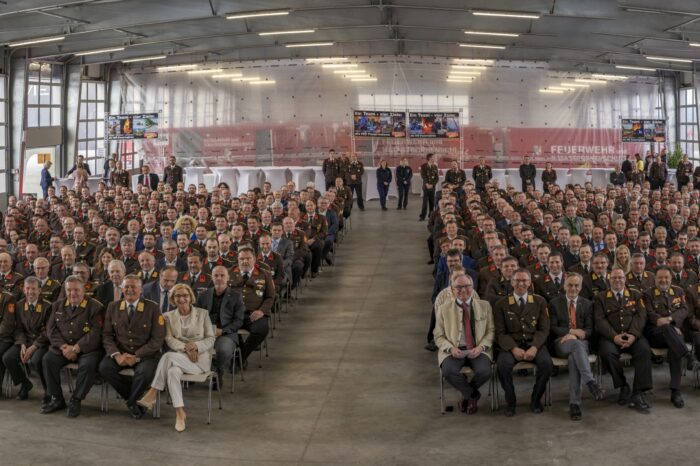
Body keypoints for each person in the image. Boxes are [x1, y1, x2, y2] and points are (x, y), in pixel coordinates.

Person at [137, 283, 215, 432]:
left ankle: (153, 392)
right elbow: (169, 339)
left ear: (190, 297)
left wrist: (196, 346)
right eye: (178, 296)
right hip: (179, 356)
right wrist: (185, 347)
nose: (182, 299)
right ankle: (180, 413)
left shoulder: (203, 313)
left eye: (185, 295)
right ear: (173, 298)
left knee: (167, 357)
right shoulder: (167, 316)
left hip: (199, 360)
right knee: (172, 371)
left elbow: (211, 338)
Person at [99, 275, 165, 419]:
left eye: (133, 287)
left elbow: (157, 339)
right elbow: (107, 335)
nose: (129, 290)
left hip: (145, 355)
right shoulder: (113, 306)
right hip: (121, 353)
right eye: (126, 287)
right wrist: (116, 355)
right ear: (122, 289)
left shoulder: (152, 307)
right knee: (104, 368)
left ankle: (130, 402)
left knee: (144, 373)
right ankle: (135, 401)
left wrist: (136, 356)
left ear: (141, 290)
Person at [493, 268, 552, 417]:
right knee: (503, 365)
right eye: (517, 280)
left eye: (524, 280)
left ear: (530, 282)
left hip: (534, 344)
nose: (521, 283)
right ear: (512, 282)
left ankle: (535, 399)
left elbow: (544, 329)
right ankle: (510, 401)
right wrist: (513, 348)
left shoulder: (539, 301)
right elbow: (500, 333)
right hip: (511, 345)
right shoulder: (501, 304)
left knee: (546, 364)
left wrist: (534, 347)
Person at [42, 276, 103, 417]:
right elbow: (51, 329)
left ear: (84, 290)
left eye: (76, 290)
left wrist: (76, 348)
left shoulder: (95, 307)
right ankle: (56, 398)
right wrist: (64, 347)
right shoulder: (57, 305)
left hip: (86, 350)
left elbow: (96, 333)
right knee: (48, 360)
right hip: (63, 348)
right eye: (69, 290)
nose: (72, 293)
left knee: (88, 365)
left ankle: (76, 399)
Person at [593, 268, 652, 414]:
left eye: (620, 277)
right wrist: (614, 337)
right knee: (607, 353)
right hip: (611, 337)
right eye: (614, 278)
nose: (617, 280)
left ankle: (638, 392)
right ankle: (623, 385)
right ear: (609, 280)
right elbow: (599, 320)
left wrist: (633, 335)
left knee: (644, 350)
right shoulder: (600, 297)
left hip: (633, 335)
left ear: (625, 279)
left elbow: (641, 316)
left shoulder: (636, 294)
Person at [434, 274, 493, 415]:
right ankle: (472, 395)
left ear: (472, 288)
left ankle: (466, 395)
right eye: (458, 287)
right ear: (452, 290)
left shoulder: (485, 306)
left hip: (478, 349)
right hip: (454, 350)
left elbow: (491, 331)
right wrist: (450, 348)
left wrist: (481, 347)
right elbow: (438, 335)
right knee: (448, 371)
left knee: (485, 371)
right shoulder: (443, 309)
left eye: (467, 286)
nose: (463, 290)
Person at [548, 273, 604, 420]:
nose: (573, 288)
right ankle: (590, 382)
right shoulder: (554, 303)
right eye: (570, 285)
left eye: (576, 285)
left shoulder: (587, 304)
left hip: (581, 343)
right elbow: (552, 327)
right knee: (576, 347)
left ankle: (575, 404)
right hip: (561, 343)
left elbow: (590, 330)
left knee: (575, 357)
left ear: (580, 287)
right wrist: (571, 332)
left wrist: (577, 335)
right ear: (564, 286)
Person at [642, 267, 689, 408]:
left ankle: (675, 390)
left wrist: (670, 320)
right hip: (655, 334)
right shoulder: (647, 294)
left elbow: (684, 309)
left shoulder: (678, 291)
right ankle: (687, 355)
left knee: (674, 344)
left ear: (670, 278)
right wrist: (668, 325)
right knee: (671, 333)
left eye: (666, 278)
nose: (663, 280)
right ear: (654, 279)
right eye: (660, 278)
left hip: (673, 332)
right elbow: (650, 314)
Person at [2, 277, 51, 402]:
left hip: (41, 343)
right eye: (27, 288)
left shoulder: (47, 307)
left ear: (40, 290)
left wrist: (34, 346)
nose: (30, 292)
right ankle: (25, 384)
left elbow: (47, 331)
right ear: (24, 290)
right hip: (24, 341)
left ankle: (49, 391)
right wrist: (22, 343)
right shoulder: (19, 305)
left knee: (36, 360)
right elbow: (18, 328)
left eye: (33, 289)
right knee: (8, 358)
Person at [195, 266, 245, 381]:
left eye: (222, 275)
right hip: (204, 334)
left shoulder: (236, 296)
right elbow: (196, 317)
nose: (219, 278)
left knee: (222, 350)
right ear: (212, 278)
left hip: (226, 334)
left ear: (228, 278)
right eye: (216, 276)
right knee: (190, 347)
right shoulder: (203, 295)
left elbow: (239, 321)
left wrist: (222, 331)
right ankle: (196, 369)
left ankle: (217, 368)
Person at [228, 247, 274, 365]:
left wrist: (261, 311)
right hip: (233, 315)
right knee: (226, 329)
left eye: (248, 258)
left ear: (254, 259)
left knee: (261, 329)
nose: (245, 261)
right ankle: (240, 357)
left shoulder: (265, 274)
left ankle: (240, 357)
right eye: (242, 259)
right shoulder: (229, 273)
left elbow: (270, 297)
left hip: (254, 315)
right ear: (237, 260)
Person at [419, 153, 439, 221]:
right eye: (433, 157)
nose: (435, 158)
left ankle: (431, 216)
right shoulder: (424, 166)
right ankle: (422, 216)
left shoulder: (435, 166)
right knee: (425, 202)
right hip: (426, 187)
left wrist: (432, 185)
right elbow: (423, 176)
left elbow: (437, 178)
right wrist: (427, 184)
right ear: (430, 158)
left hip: (432, 187)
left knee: (432, 202)